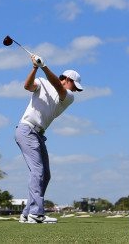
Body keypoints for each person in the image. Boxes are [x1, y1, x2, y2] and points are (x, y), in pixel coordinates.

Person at [16, 54, 82, 224]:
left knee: (45, 175)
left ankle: (27, 213)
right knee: (37, 171)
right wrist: (35, 67)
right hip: (27, 129)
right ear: (67, 79)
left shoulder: (68, 96)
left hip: (38, 135)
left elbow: (57, 88)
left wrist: (44, 66)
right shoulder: (43, 82)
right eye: (75, 85)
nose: (75, 90)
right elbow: (27, 86)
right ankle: (37, 213)